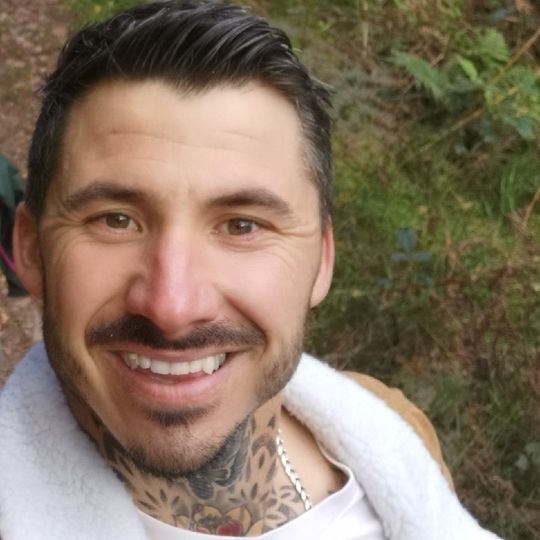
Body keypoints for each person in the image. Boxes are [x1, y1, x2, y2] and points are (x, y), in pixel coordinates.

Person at [0, 2, 501, 539]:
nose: (173, 306)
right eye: (116, 220)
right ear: (30, 250)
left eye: (242, 226)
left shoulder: (399, 424)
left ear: (322, 259)